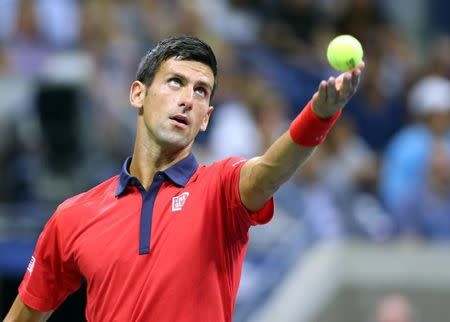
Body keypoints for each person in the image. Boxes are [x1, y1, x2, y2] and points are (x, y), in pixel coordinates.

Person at [4, 35, 363, 322]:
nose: (188, 99)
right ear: (138, 94)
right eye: (176, 82)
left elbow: (269, 172)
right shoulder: (73, 216)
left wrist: (319, 114)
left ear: (206, 118)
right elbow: (26, 314)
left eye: (200, 91)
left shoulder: (220, 189)